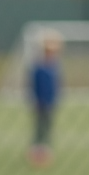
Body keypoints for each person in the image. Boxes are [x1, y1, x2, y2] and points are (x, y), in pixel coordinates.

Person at [27, 31, 62, 166]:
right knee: (39, 127)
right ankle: (36, 151)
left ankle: (45, 151)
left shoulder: (55, 66)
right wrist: (36, 100)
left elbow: (56, 86)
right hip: (40, 103)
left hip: (50, 102)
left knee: (48, 126)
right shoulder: (39, 67)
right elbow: (34, 86)